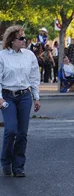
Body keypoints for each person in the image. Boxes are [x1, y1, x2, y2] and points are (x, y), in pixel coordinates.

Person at [0, 25, 41, 177]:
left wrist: (36, 97)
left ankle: (18, 166)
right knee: (10, 130)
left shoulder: (29, 55)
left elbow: (34, 78)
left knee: (22, 133)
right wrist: (0, 98)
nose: (24, 41)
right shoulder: (2, 56)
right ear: (12, 40)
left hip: (25, 96)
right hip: (8, 95)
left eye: (25, 38)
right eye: (21, 38)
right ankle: (5, 161)